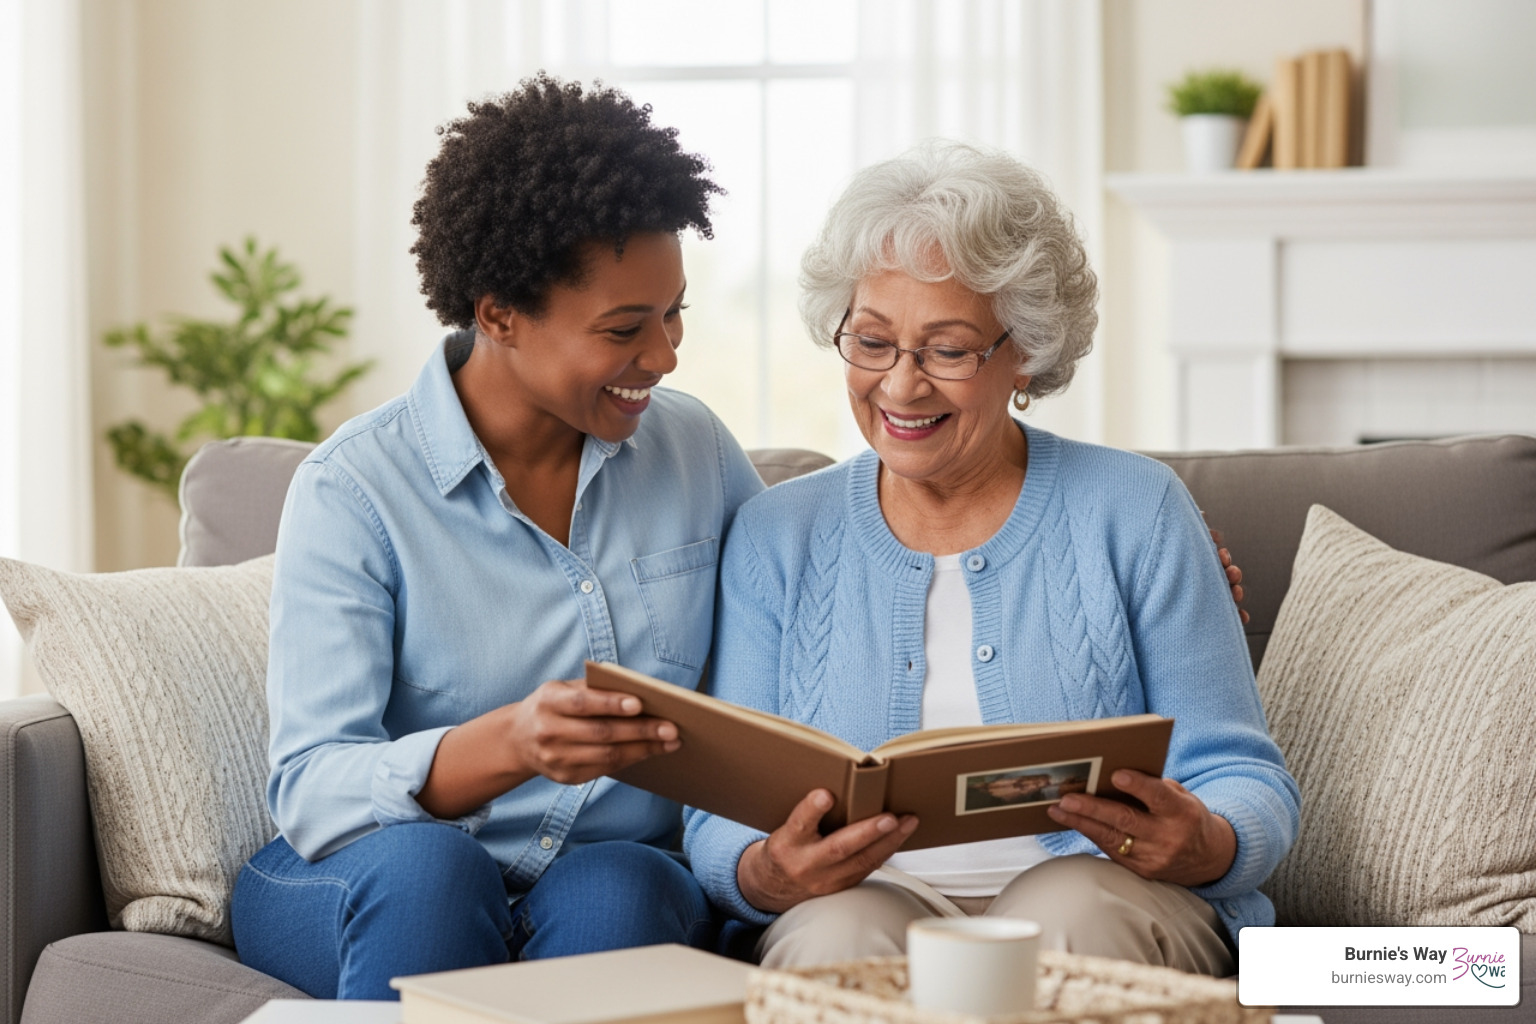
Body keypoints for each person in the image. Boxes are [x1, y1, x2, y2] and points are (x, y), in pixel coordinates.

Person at [683, 141, 1299, 975]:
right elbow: (721, 811)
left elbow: (1239, 772)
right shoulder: (773, 534)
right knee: (833, 938)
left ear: (1027, 355)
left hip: (1105, 892)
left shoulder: (1137, 507)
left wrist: (1208, 843)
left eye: (947, 350)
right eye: (871, 341)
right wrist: (762, 871)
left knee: (1065, 910)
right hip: (863, 901)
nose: (900, 387)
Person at [229, 75, 764, 1000]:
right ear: (499, 314)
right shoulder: (355, 489)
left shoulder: (697, 452)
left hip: (602, 868)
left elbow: (787, 639)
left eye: (675, 314)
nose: (667, 355)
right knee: (434, 875)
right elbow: (314, 789)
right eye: (625, 328)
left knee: (628, 887)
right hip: (373, 871)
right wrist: (511, 743)